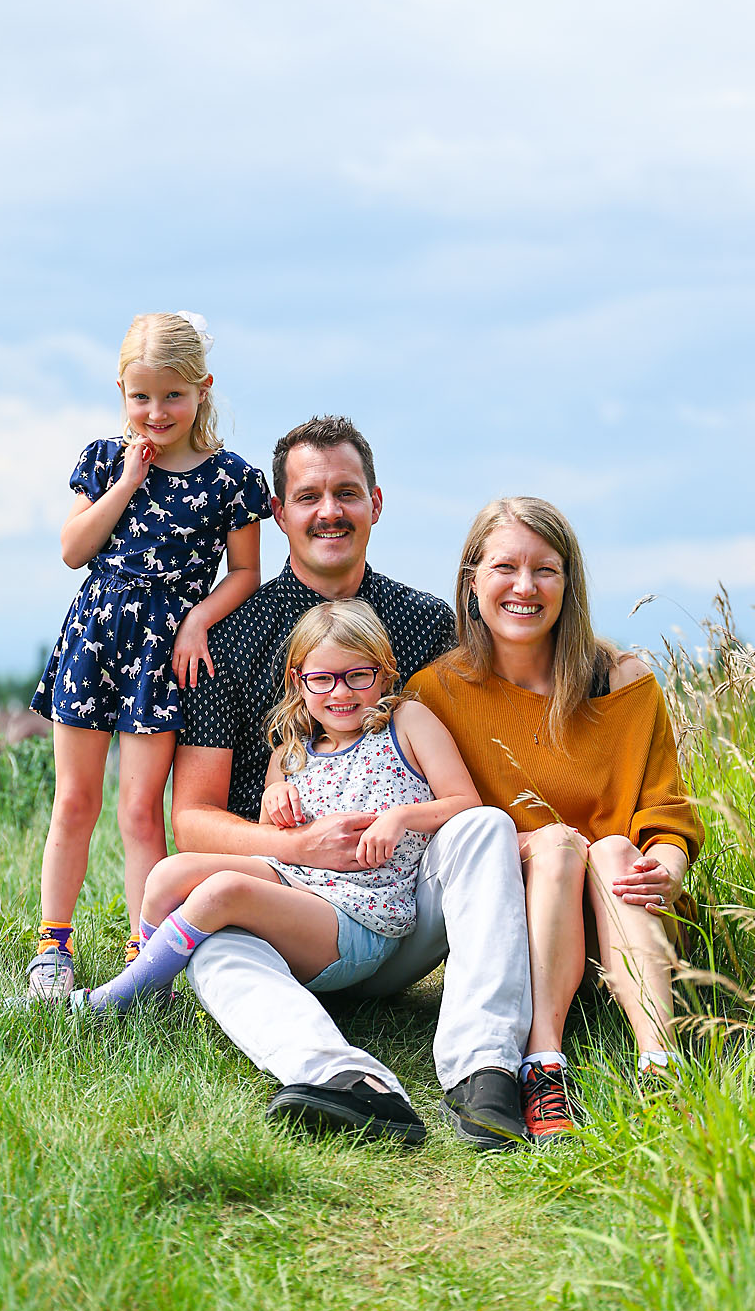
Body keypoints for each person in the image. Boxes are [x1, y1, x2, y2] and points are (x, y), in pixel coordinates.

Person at [168, 416, 535, 1150]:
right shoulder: (228, 634)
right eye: (307, 496)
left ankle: (485, 1069)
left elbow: (493, 749)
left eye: (344, 493)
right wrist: (300, 843)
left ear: (374, 502)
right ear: (279, 514)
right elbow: (193, 818)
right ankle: (344, 1080)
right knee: (212, 937)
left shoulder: (428, 625)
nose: (327, 511)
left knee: (482, 825)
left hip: (404, 897)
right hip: (291, 916)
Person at [71, 601, 485, 1143]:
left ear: (384, 672)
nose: (341, 693)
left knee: (222, 892)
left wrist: (401, 816)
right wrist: (276, 796)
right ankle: (159, 994)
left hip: (361, 913)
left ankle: (123, 994)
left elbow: (467, 803)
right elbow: (277, 827)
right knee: (168, 876)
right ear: (298, 681)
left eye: (358, 675)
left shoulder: (406, 723)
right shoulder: (292, 748)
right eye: (322, 679)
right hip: (297, 884)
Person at [407, 497, 704, 1144]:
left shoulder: (623, 683)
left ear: (568, 583)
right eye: (504, 567)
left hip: (624, 916)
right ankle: (543, 1061)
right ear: (471, 579)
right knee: (556, 845)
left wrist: (669, 865)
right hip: (520, 918)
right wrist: (539, 845)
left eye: (544, 569)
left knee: (618, 851)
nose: (524, 586)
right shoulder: (434, 694)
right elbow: (441, 836)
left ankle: (660, 1060)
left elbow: (666, 811)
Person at [26, 311, 271, 1001]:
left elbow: (245, 573)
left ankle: (143, 955)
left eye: (172, 395)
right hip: (93, 637)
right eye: (141, 396)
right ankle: (53, 945)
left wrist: (197, 622)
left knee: (140, 810)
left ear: (202, 389)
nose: (156, 411)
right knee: (74, 800)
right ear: (121, 391)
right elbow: (75, 550)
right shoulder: (105, 458)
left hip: (163, 652)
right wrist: (129, 480)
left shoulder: (232, 479)